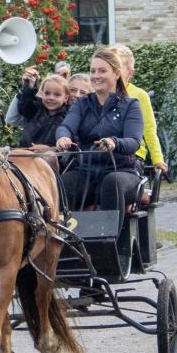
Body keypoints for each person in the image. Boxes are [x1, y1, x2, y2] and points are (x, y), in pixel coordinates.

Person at [56, 47, 143, 232]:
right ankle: (64, 243)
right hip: (86, 171)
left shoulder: (131, 106)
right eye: (93, 71)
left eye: (102, 71)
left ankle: (111, 242)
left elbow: (134, 142)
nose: (96, 76)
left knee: (112, 183)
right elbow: (66, 126)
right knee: (60, 184)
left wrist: (114, 142)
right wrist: (63, 137)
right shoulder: (82, 103)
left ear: (117, 73)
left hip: (122, 171)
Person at [112, 44, 168, 175]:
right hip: (106, 153)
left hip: (133, 155)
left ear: (130, 73)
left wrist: (157, 159)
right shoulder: (100, 93)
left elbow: (149, 129)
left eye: (117, 68)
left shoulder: (139, 95)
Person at [18, 72, 70, 148]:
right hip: (25, 155)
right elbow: (24, 104)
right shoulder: (35, 109)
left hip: (53, 158)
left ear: (66, 98)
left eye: (57, 95)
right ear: (42, 94)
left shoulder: (68, 117)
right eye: (47, 93)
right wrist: (29, 85)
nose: (51, 98)